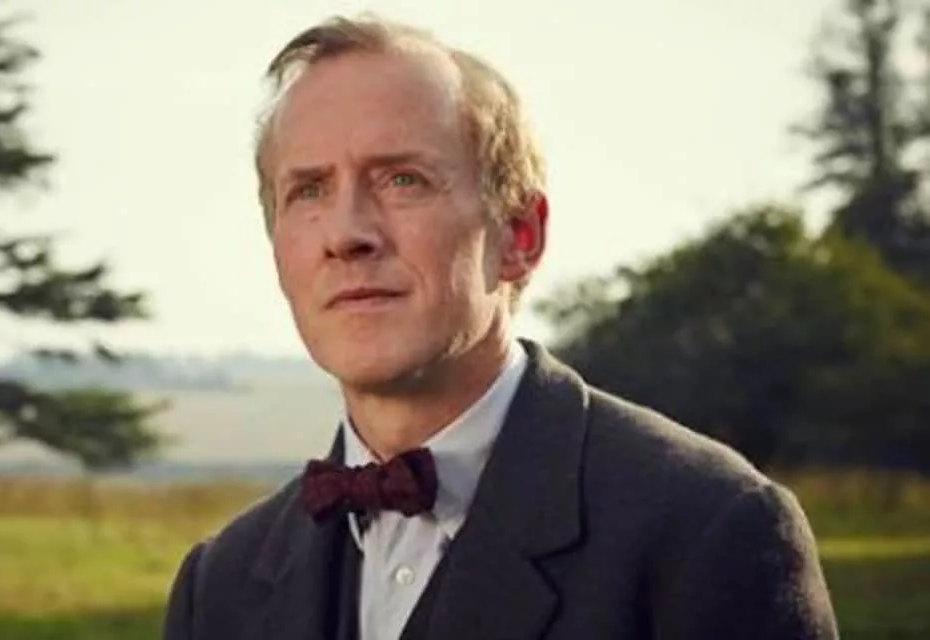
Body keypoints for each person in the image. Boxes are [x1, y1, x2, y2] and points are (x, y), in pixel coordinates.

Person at [162, 13, 839, 640]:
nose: (345, 234)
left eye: (402, 180)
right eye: (308, 190)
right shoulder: (217, 585)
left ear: (519, 235)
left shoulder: (708, 527)